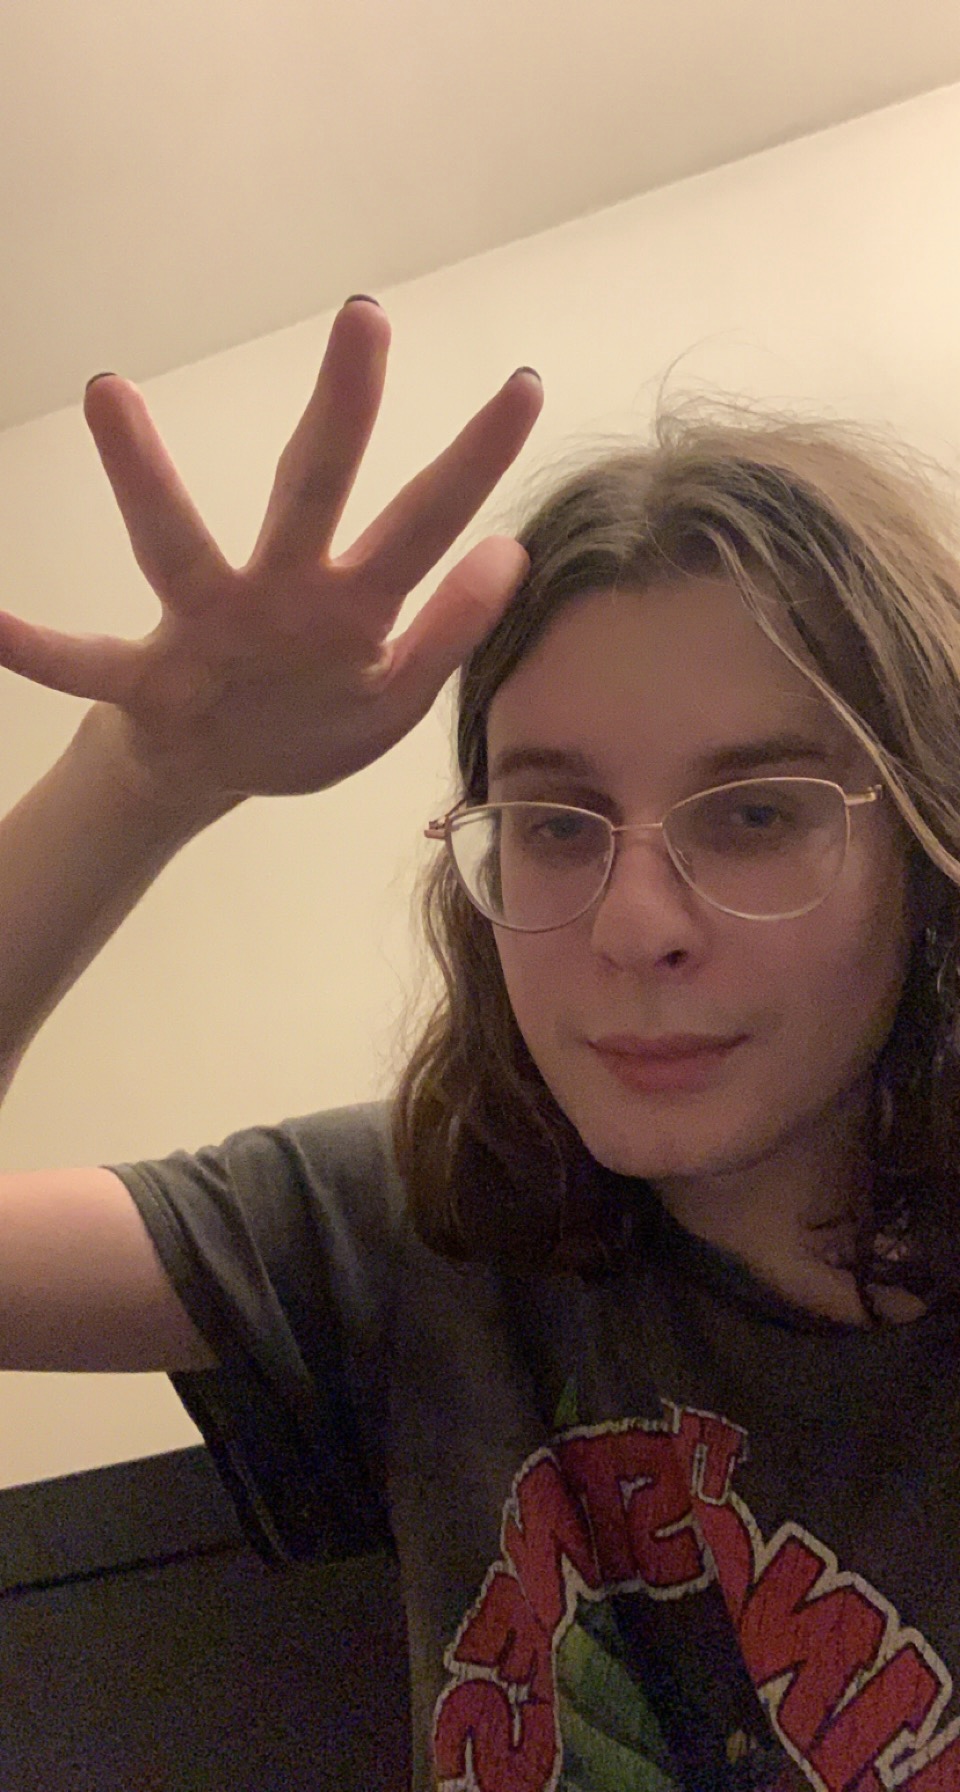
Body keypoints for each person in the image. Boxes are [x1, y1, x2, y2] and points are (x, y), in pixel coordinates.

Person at [0, 292, 958, 1792]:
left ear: (927, 848)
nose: (636, 924)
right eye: (558, 822)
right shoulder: (421, 1234)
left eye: (758, 813)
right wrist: (140, 778)